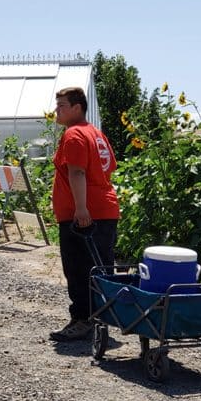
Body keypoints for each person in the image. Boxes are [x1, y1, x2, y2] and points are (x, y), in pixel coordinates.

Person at [49, 87, 119, 341]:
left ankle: (83, 320)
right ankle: (101, 318)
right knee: (100, 268)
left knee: (79, 269)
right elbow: (107, 168)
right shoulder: (96, 134)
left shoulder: (75, 134)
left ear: (77, 107)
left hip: (85, 215)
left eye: (62, 106)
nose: (57, 110)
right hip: (105, 210)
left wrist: (80, 208)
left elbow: (77, 172)